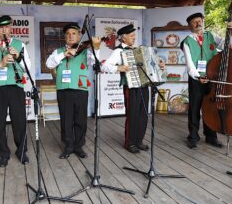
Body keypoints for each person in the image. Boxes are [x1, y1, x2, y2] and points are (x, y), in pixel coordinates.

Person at [101, 24, 164, 154]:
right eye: (131, 36)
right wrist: (119, 68)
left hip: (144, 85)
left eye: (134, 35)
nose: (134, 38)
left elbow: (150, 65)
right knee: (133, 115)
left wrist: (159, 65)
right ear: (123, 38)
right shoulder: (119, 51)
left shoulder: (137, 50)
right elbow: (105, 66)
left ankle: (138, 141)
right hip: (131, 87)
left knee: (143, 115)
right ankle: (130, 142)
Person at [0, 15, 31, 167]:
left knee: (19, 121)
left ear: (11, 28)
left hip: (16, 88)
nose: (4, 30)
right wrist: (0, 64)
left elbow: (27, 68)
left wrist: (18, 57)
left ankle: (21, 151)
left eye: (7, 27)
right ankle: (4, 153)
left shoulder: (20, 45)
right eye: (1, 27)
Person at [46, 22, 100, 159]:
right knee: (66, 120)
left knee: (81, 120)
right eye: (68, 34)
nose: (71, 36)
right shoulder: (58, 52)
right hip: (63, 91)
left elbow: (95, 62)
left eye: (74, 34)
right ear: (65, 37)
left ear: (79, 36)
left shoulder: (86, 51)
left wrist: (97, 47)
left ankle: (79, 146)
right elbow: (49, 64)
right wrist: (65, 54)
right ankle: (68, 146)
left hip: (80, 89)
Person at [181, 12, 232, 149]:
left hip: (212, 77)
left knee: (211, 107)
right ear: (190, 26)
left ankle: (211, 136)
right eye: (194, 22)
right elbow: (189, 63)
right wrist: (198, 77)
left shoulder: (210, 35)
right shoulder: (187, 41)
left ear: (203, 21)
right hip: (197, 79)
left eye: (199, 21)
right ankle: (193, 137)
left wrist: (231, 33)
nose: (198, 23)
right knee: (195, 108)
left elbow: (224, 45)